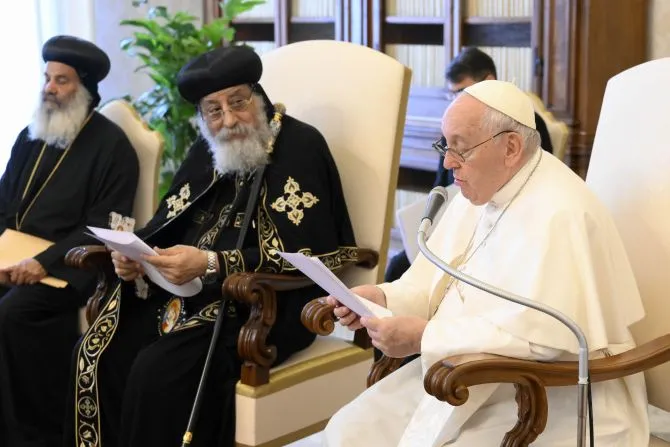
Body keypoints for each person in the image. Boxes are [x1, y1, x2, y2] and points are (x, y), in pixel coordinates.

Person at [324, 80, 649, 446]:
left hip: (552, 394)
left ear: (510, 147)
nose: (448, 163)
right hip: (466, 372)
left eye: (460, 149)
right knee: (348, 429)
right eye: (445, 147)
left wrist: (423, 336)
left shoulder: (562, 212)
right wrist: (383, 299)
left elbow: (543, 340)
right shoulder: (477, 192)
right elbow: (435, 283)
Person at [63, 45, 358, 447]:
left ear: (258, 98)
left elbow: (311, 254)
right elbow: (168, 219)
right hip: (181, 294)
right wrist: (136, 255)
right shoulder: (207, 150)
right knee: (97, 354)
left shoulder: (300, 147)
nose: (230, 120)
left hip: (261, 305)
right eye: (214, 111)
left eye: (238, 103)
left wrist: (213, 263)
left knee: (157, 371)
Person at [0, 35, 139, 447]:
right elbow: (5, 201)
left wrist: (42, 262)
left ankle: (29, 434)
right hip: (14, 259)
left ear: (85, 89)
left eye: (61, 80)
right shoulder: (30, 136)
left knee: (11, 317)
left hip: (70, 269)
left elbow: (105, 226)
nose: (49, 88)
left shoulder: (113, 147)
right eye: (47, 78)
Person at [384, 46, 554, 283]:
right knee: (400, 268)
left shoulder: (525, 124)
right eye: (451, 94)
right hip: (457, 220)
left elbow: (531, 185)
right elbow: (441, 185)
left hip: (500, 226)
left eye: (463, 90)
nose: (457, 100)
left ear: (489, 81)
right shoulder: (455, 127)